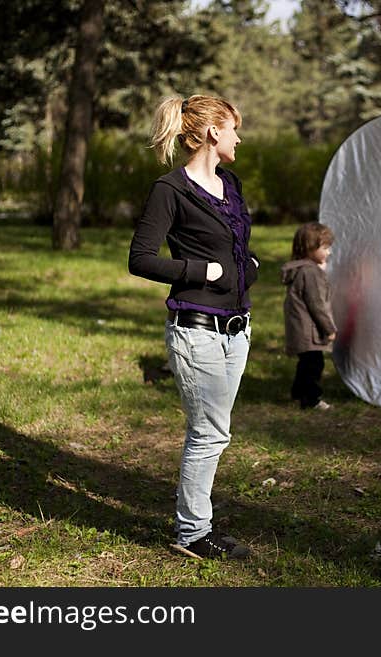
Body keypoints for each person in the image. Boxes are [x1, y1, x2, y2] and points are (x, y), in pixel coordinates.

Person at [128, 94, 259, 560]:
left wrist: (250, 265)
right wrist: (200, 272)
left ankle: (196, 522)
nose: (239, 137)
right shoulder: (170, 190)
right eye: (233, 129)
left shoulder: (232, 183)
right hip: (195, 329)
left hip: (237, 330)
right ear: (211, 133)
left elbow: (237, 241)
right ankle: (192, 533)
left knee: (213, 430)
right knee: (209, 432)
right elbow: (140, 259)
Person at [282, 222, 337, 410]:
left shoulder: (301, 269)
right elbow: (317, 304)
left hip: (300, 328)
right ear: (310, 248)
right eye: (325, 247)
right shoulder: (310, 272)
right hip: (309, 330)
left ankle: (297, 392)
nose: (328, 252)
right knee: (314, 365)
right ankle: (311, 399)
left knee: (305, 363)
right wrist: (329, 329)